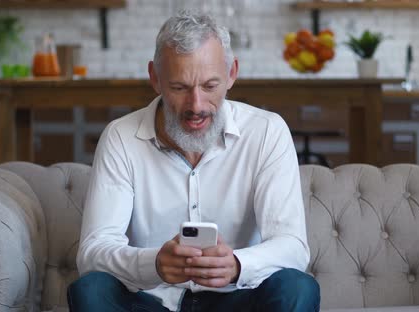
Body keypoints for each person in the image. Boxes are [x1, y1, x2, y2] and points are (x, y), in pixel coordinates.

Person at [68, 11, 320, 312]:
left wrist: (238, 265)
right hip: (153, 301)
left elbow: (292, 247)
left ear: (232, 74)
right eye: (179, 88)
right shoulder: (120, 138)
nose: (196, 106)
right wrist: (154, 264)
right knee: (90, 290)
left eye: (210, 86)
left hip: (237, 300)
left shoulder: (267, 132)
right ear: (155, 78)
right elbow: (93, 252)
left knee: (298, 287)